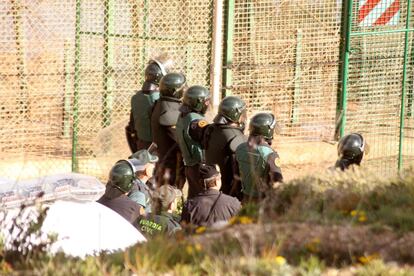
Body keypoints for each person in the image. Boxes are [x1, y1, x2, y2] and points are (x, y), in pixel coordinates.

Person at [201, 96, 247, 197]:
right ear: (234, 114)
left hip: (209, 187)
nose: (243, 118)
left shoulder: (210, 129)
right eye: (241, 114)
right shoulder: (237, 138)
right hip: (228, 193)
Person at [126, 56, 173, 153]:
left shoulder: (136, 97)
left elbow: (132, 126)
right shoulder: (159, 99)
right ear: (160, 77)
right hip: (158, 150)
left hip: (141, 147)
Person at [235, 112, 283, 201]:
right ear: (268, 131)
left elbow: (236, 176)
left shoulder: (239, 148)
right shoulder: (271, 155)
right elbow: (277, 183)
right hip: (263, 202)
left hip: (245, 199)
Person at [151, 72, 187, 189]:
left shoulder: (160, 103)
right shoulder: (172, 112)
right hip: (170, 167)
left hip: (161, 161)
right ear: (175, 91)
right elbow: (180, 143)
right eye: (183, 88)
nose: (185, 90)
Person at [176, 85, 210, 198]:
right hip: (199, 166)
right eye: (206, 102)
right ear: (197, 103)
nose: (207, 104)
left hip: (190, 165)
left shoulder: (183, 116)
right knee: (203, 198)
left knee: (194, 196)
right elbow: (208, 142)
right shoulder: (196, 121)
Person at [127, 149, 159, 214]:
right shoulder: (138, 190)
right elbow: (134, 216)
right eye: (152, 164)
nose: (154, 167)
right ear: (146, 169)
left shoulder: (129, 182)